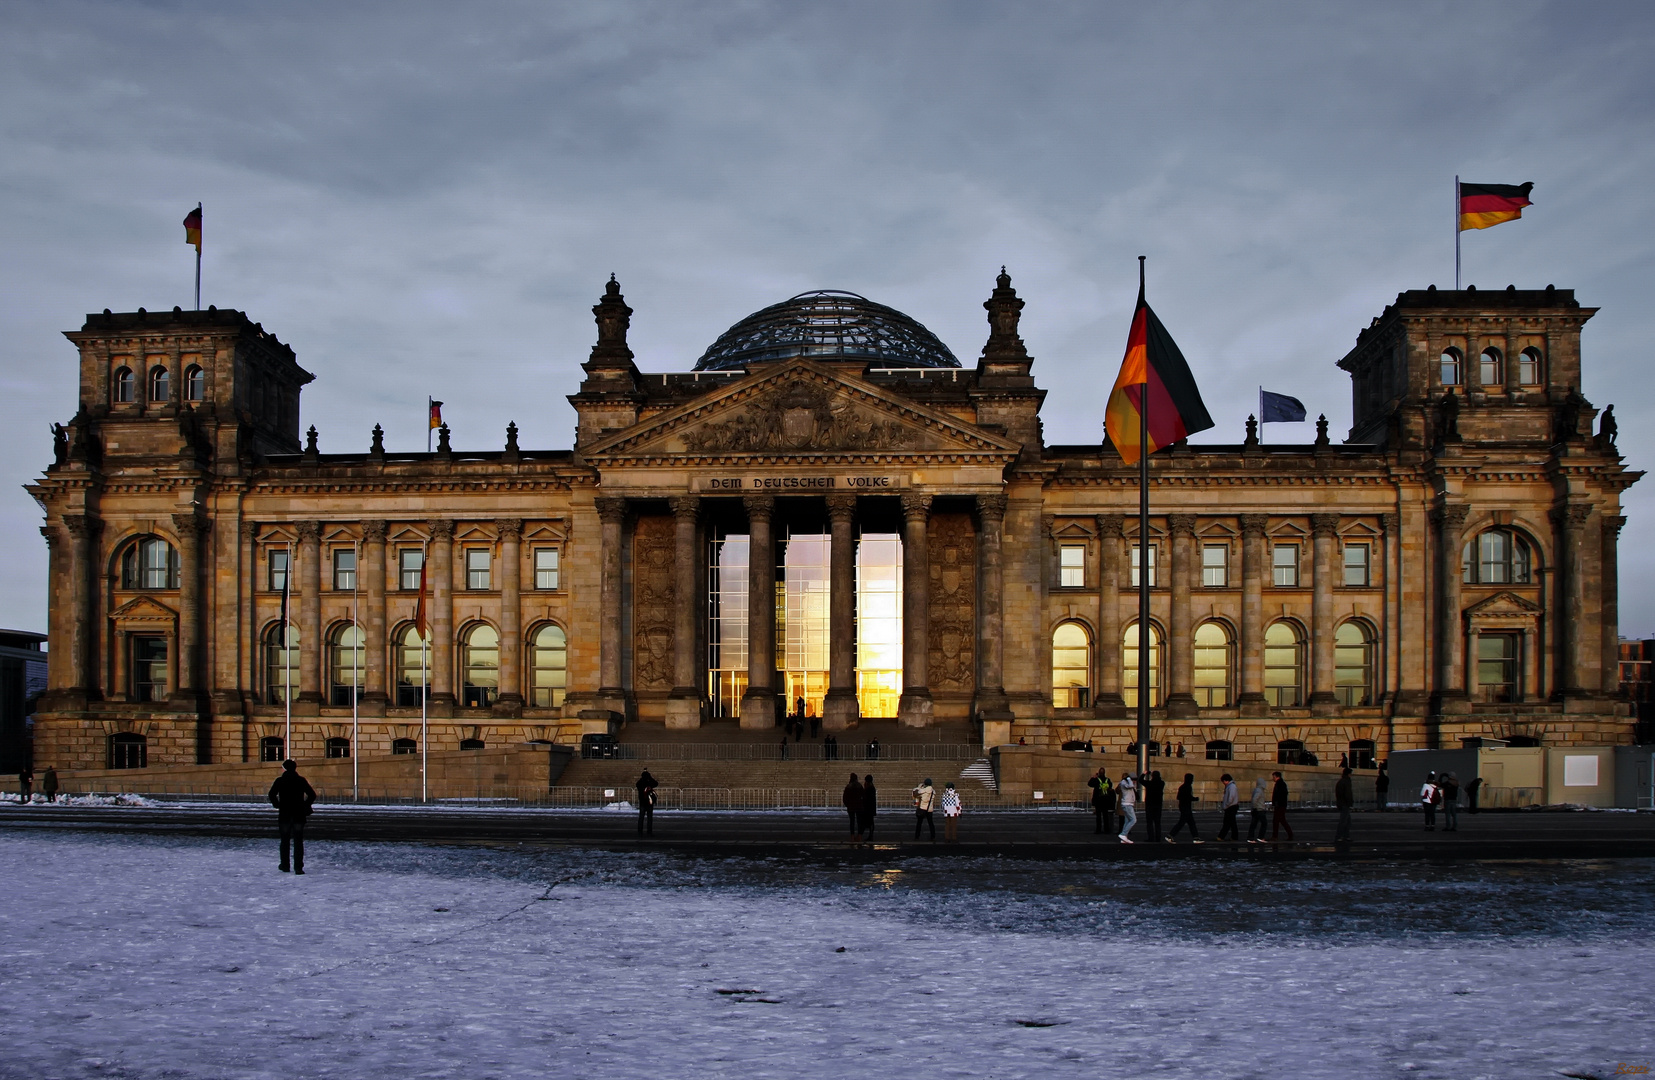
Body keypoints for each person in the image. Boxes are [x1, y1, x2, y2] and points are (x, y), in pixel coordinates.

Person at [268, 759, 315, 873]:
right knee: (298, 841)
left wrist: (277, 804)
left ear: (284, 768)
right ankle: (298, 867)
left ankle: (285, 865)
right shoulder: (300, 780)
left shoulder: (280, 780)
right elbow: (312, 795)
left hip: (285, 813)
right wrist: (305, 805)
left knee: (285, 841)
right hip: (298, 813)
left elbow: (271, 794)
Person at [1168, 772, 1202, 843]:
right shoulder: (1187, 787)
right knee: (1183, 823)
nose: (1192, 781)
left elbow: (1178, 797)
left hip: (1183, 806)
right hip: (1186, 807)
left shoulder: (1182, 787)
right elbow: (1188, 797)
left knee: (1190, 823)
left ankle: (1196, 837)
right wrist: (1194, 799)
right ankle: (1170, 835)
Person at [1270, 771, 1293, 841]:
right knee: (1281, 820)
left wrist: (1276, 802)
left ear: (1277, 777)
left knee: (1277, 821)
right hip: (1280, 805)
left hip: (1280, 805)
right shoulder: (1280, 783)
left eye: (1273, 777)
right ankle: (1289, 834)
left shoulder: (1280, 784)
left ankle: (1276, 836)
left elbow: (1280, 795)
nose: (1273, 778)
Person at [1144, 770, 1166, 843]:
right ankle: (1158, 837)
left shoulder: (1149, 783)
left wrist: (1144, 774)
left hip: (1150, 804)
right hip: (1158, 804)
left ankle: (1151, 837)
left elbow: (1141, 780)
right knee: (1157, 823)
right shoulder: (1161, 783)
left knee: (1149, 823)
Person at [635, 769, 659, 836]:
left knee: (641, 817)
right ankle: (649, 831)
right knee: (649, 817)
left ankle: (640, 831)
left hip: (642, 802)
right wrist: (650, 778)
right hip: (649, 802)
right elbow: (656, 783)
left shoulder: (640, 782)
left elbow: (637, 784)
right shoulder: (649, 782)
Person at [1116, 772, 1138, 843]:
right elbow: (1130, 786)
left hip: (1128, 803)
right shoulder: (1124, 783)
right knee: (1133, 820)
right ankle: (1123, 834)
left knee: (1127, 820)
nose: (1134, 781)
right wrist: (1129, 779)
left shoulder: (1126, 783)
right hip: (1127, 804)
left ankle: (1124, 837)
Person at [1217, 773, 1240, 842]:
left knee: (1227, 823)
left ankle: (1222, 836)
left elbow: (1231, 798)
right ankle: (1233, 837)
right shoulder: (1231, 786)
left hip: (1230, 807)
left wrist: (1226, 805)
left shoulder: (1231, 787)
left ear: (1226, 780)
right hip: (1231, 806)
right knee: (1231, 823)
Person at [1088, 769, 1112, 835]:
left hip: (1098, 800)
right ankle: (1106, 829)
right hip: (1105, 800)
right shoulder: (1107, 780)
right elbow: (1110, 786)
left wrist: (1094, 777)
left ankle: (1098, 829)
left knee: (1098, 816)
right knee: (1105, 816)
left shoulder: (1097, 780)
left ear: (1099, 773)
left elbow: (1089, 784)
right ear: (1104, 773)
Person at [843, 773, 864, 843]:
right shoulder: (859, 786)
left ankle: (852, 836)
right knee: (859, 821)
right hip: (859, 806)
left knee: (852, 821)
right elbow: (863, 795)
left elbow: (845, 797)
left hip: (851, 806)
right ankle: (860, 836)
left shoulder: (848, 787)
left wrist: (847, 804)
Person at [1334, 766, 1354, 842]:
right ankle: (1340, 836)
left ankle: (1345, 836)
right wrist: (1350, 803)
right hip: (1345, 804)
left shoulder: (1341, 781)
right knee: (1344, 821)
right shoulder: (1346, 782)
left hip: (1342, 803)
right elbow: (1348, 794)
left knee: (1347, 821)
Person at [1247, 777, 1269, 843]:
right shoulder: (1259, 790)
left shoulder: (1256, 790)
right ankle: (1260, 837)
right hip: (1259, 810)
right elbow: (1255, 799)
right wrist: (1255, 807)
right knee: (1264, 823)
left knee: (1254, 824)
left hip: (1256, 809)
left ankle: (1251, 838)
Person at [860, 774, 878, 840]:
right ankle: (869, 835)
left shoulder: (869, 788)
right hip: (870, 808)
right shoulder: (871, 788)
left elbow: (866, 798)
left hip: (868, 808)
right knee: (870, 822)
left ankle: (862, 835)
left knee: (866, 822)